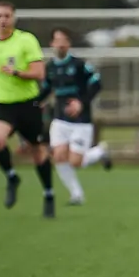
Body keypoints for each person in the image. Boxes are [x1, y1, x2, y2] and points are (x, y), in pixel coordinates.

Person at [0, 1, 54, 218]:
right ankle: (12, 176)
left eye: (7, 16)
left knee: (38, 151)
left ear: (13, 19)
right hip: (2, 105)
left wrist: (18, 72)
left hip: (28, 104)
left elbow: (39, 72)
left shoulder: (26, 40)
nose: (3, 20)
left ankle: (48, 193)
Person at [35, 27, 110, 206]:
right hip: (60, 119)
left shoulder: (79, 65)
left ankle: (100, 152)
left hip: (81, 121)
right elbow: (46, 90)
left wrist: (81, 103)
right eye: (57, 40)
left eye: (64, 40)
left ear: (69, 44)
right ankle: (77, 195)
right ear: (52, 44)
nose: (60, 44)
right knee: (59, 156)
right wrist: (34, 103)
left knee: (75, 161)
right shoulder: (50, 67)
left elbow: (97, 84)